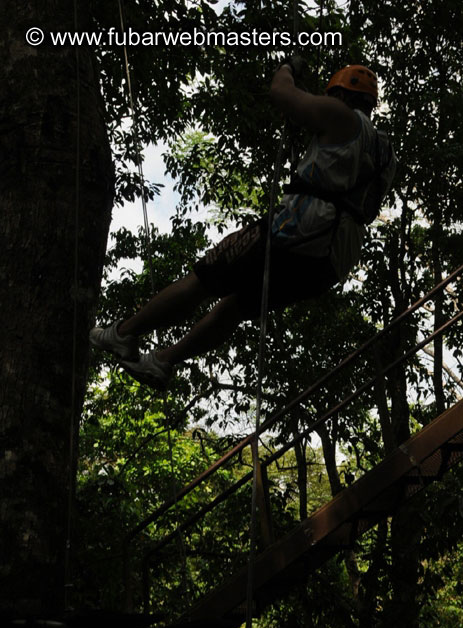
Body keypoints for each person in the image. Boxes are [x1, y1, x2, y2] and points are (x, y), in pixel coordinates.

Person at [90, 62, 396, 390]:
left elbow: (281, 92)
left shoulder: (341, 115)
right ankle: (163, 361)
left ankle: (122, 335)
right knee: (237, 306)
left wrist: (287, 68)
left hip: (299, 231)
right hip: (332, 260)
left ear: (338, 94)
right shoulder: (385, 152)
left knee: (204, 278)